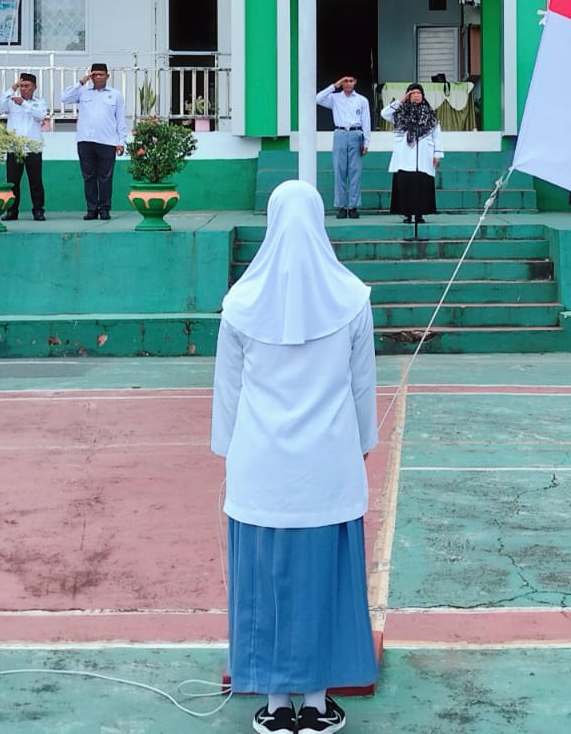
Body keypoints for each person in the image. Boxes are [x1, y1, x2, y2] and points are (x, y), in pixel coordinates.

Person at [212, 180, 378, 734]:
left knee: (265, 586)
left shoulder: (240, 305)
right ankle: (317, 702)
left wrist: (229, 453)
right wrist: (360, 447)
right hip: (327, 465)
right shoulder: (352, 300)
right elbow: (362, 387)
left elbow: (228, 393)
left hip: (260, 467)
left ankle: (276, 703)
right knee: (321, 584)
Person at [61, 63, 126, 221]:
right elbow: (64, 98)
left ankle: (104, 209)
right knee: (88, 176)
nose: (98, 77)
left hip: (107, 141)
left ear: (107, 76)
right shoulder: (82, 92)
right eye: (94, 74)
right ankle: (91, 209)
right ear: (90, 75)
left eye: (101, 74)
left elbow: (120, 119)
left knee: (105, 177)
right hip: (85, 140)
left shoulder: (115, 95)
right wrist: (81, 82)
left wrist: (121, 141)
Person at [379, 83, 441, 226]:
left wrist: (437, 154)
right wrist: (401, 101)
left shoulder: (430, 114)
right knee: (405, 182)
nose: (416, 95)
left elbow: (437, 135)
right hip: (404, 155)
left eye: (418, 93)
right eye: (412, 93)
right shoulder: (400, 113)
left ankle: (419, 214)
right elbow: (384, 113)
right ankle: (406, 214)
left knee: (421, 182)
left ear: (423, 95)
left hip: (424, 154)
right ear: (408, 95)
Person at [316, 76, 370, 219]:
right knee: (339, 170)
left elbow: (366, 121)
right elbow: (318, 98)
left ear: (355, 82)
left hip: (356, 133)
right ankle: (340, 206)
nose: (348, 83)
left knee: (355, 171)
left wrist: (366, 142)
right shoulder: (335, 98)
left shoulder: (361, 100)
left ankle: (353, 206)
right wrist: (334, 85)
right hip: (340, 133)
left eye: (351, 80)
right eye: (345, 81)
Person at [0, 73, 48, 221]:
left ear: (34, 87)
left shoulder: (39, 102)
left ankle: (38, 210)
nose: (23, 89)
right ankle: (12, 211)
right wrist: (11, 89)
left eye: (27, 86)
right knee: (13, 182)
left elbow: (41, 115)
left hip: (33, 148)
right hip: (14, 148)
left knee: (36, 182)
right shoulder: (11, 101)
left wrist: (23, 104)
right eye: (21, 86)